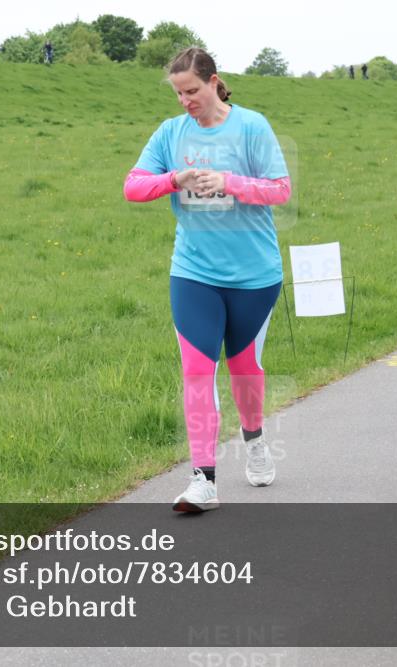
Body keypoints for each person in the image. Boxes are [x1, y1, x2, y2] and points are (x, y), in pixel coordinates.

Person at [123, 48, 291, 512]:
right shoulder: (170, 133)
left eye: (192, 91)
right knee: (197, 372)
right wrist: (174, 179)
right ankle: (203, 479)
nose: (185, 101)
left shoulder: (252, 126)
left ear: (214, 82)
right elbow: (133, 186)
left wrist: (229, 182)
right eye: (178, 94)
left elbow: (281, 189)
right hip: (194, 273)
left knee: (244, 371)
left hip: (254, 276)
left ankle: (254, 439)